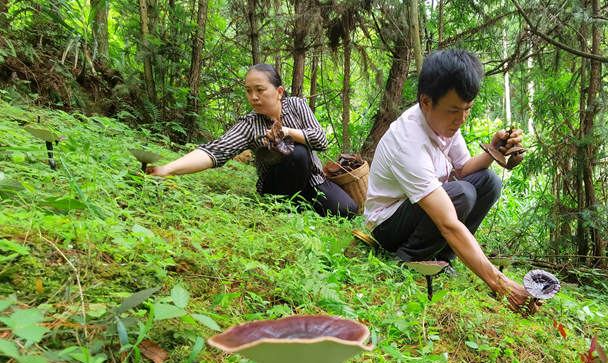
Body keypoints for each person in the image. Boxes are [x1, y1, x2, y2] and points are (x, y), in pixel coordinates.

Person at [363, 49, 539, 314]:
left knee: (489, 182)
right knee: (462, 195)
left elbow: (464, 168)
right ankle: (407, 258)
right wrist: (500, 283)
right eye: (454, 111)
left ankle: (442, 260)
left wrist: (494, 151)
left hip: (416, 211)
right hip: (387, 223)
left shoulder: (443, 122)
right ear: (426, 102)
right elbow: (447, 221)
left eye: (467, 109)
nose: (461, 119)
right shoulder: (408, 140)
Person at [147, 64, 358, 218]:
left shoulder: (297, 106)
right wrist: (168, 169)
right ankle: (283, 210)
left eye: (259, 90)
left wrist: (285, 131)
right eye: (248, 91)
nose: (253, 97)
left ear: (279, 92)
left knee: (348, 209)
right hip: (276, 186)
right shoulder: (249, 124)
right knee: (297, 155)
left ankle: (304, 205)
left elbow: (321, 139)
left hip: (313, 182)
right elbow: (214, 152)